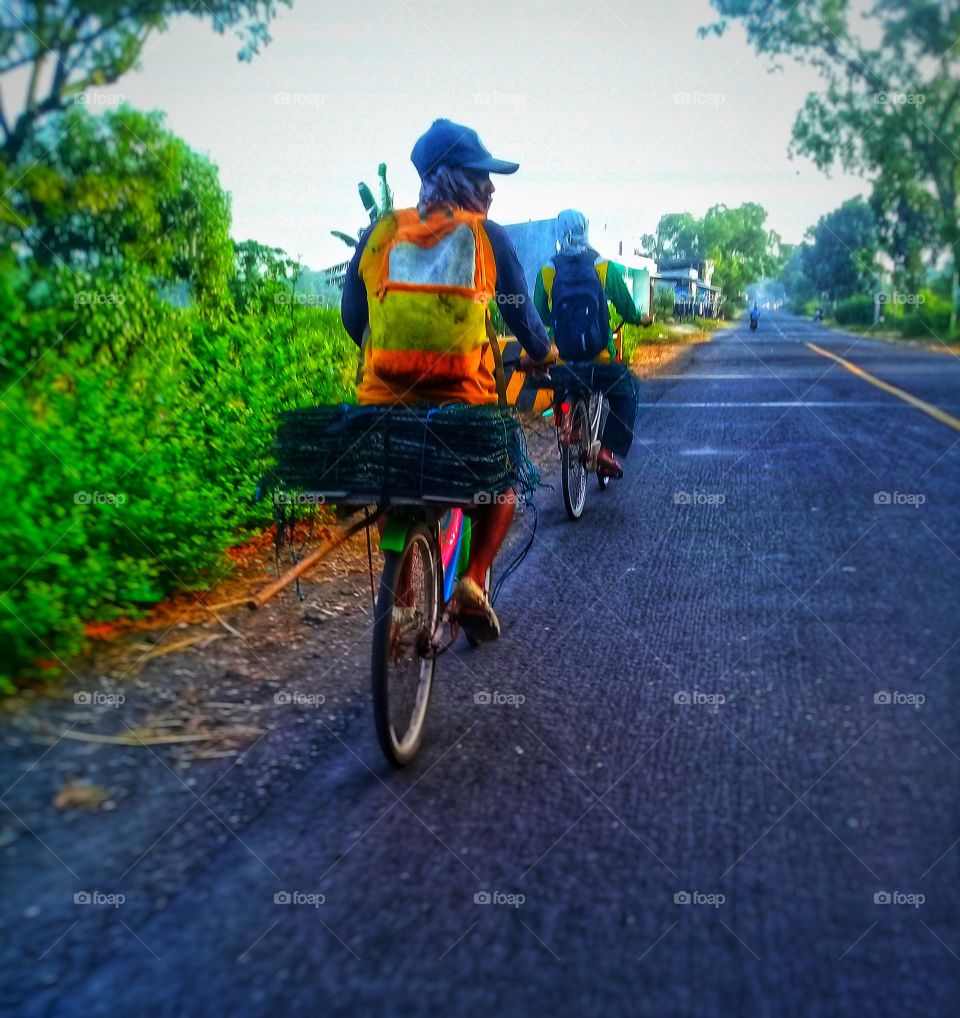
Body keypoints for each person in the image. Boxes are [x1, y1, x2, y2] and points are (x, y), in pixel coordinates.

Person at [341, 118, 555, 643]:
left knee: (397, 484)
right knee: (503, 487)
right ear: (456, 178)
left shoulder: (380, 233)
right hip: (464, 410)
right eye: (482, 175)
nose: (491, 187)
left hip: (385, 407)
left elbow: (352, 315)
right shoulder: (487, 237)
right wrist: (545, 354)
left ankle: (400, 602)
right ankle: (473, 581)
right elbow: (524, 321)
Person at [533, 210, 649, 478]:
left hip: (565, 360)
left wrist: (560, 321)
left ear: (559, 234)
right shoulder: (603, 266)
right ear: (586, 230)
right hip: (600, 359)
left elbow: (540, 315)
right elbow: (626, 308)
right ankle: (606, 450)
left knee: (562, 379)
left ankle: (569, 425)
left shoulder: (547, 271)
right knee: (629, 390)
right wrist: (639, 319)